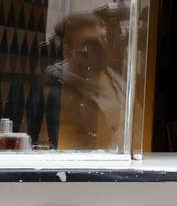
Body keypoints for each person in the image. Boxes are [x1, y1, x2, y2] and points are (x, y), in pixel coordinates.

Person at [44, 12, 125, 150]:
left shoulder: (117, 78)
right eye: (90, 44)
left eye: (104, 40)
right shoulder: (57, 92)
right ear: (69, 52)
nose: (101, 49)